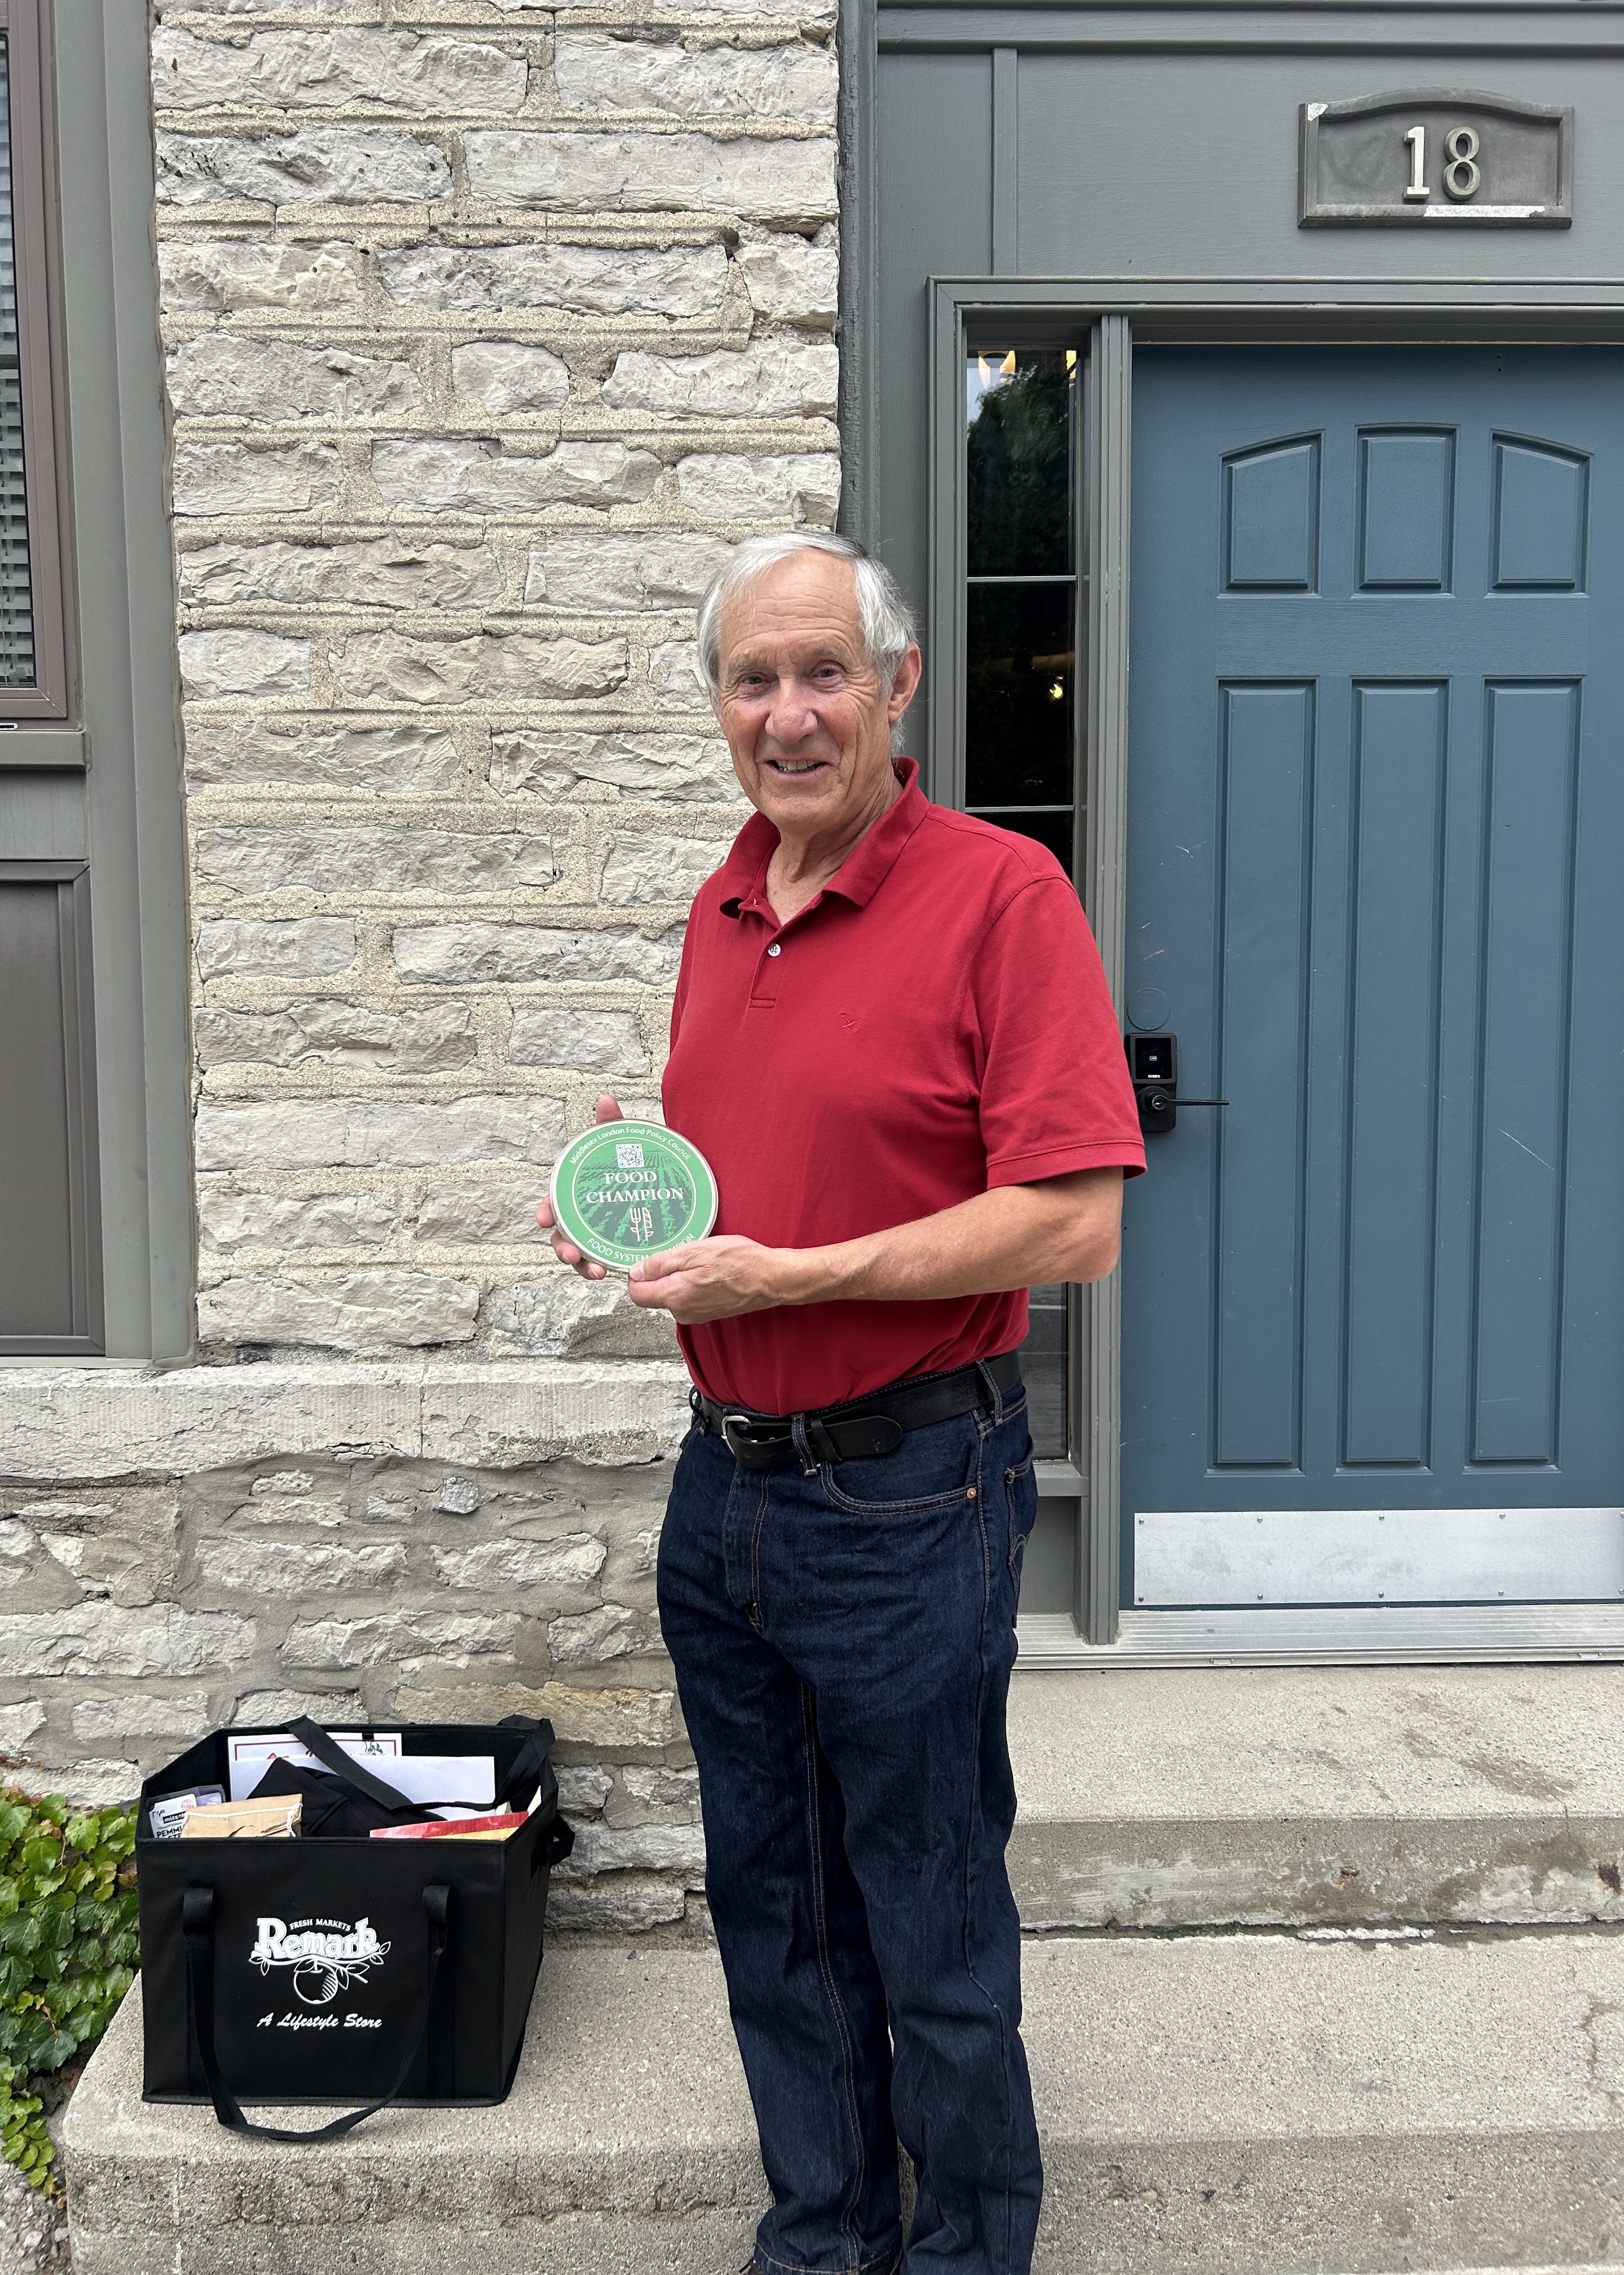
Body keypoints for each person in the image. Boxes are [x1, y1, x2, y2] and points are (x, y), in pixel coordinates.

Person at [538, 531, 1145, 2275]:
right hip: (724, 1491)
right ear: (718, 704)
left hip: (907, 1488)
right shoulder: (727, 902)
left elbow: (1077, 1219)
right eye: (753, 680)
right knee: (775, 1912)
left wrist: (790, 1278)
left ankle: (962, 2252)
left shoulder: (998, 897)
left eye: (823, 675)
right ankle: (821, 2236)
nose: (788, 716)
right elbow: (772, 1166)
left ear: (898, 686)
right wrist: (631, 1200)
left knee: (930, 1917)